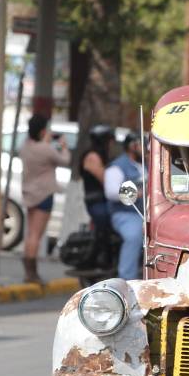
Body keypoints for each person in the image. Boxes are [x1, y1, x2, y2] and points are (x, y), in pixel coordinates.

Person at [19, 114, 70, 284]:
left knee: (30, 233)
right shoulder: (46, 149)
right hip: (44, 195)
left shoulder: (25, 147)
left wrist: (44, 140)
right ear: (42, 131)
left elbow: (35, 146)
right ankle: (31, 273)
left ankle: (28, 269)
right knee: (36, 235)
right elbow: (65, 160)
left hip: (29, 193)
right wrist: (63, 146)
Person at [104, 131, 146, 279]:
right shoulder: (117, 166)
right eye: (142, 145)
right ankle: (127, 280)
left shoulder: (147, 165)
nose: (146, 148)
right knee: (134, 235)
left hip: (148, 214)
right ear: (132, 146)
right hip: (127, 214)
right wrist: (136, 193)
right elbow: (111, 191)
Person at [81, 125, 114, 268]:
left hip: (104, 200)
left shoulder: (102, 156)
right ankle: (96, 259)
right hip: (96, 200)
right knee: (105, 223)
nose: (111, 144)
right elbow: (105, 179)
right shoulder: (92, 156)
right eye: (109, 140)